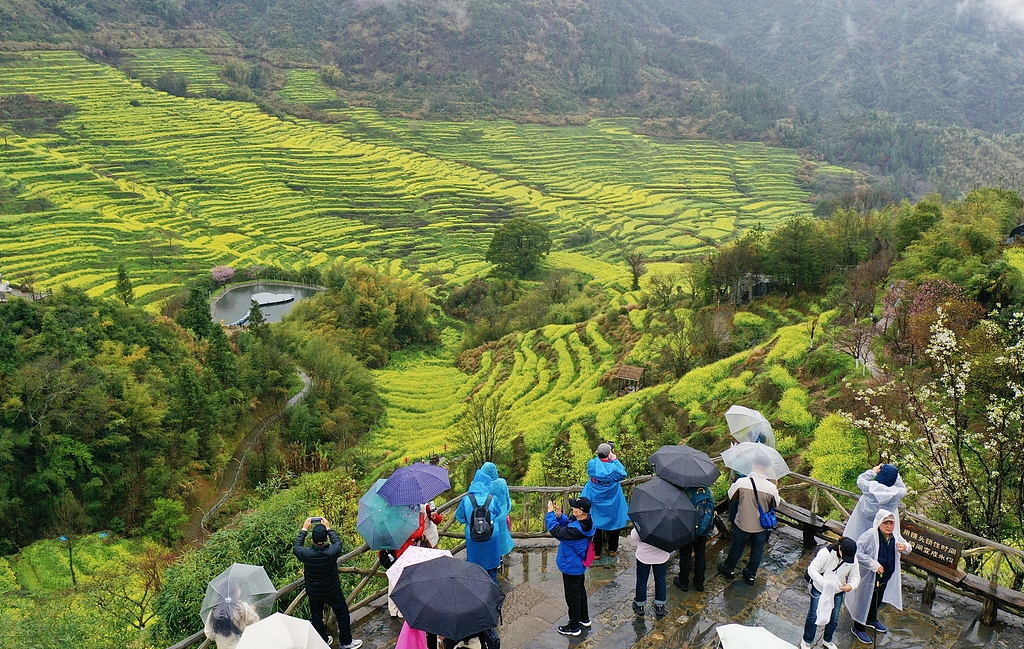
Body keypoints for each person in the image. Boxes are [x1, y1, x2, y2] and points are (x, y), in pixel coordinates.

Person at [293, 517, 363, 649]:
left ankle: (323, 641)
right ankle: (346, 642)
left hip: (314, 592)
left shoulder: (306, 553)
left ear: (312, 540)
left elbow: (296, 547)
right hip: (332, 591)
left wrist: (304, 529)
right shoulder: (332, 552)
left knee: (316, 616)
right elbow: (337, 542)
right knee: (342, 613)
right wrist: (329, 528)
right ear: (326, 540)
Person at [847, 510, 912, 644]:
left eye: (891, 523)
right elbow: (857, 551)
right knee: (864, 600)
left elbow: (908, 547)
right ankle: (858, 627)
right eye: (886, 523)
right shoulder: (871, 535)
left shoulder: (895, 535)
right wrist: (872, 564)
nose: (889, 526)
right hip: (870, 575)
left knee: (877, 599)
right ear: (879, 523)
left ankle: (871, 619)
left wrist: (905, 546)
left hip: (885, 575)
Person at [717, 459, 781, 585]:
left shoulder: (742, 482)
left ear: (752, 465)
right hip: (761, 526)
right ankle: (751, 575)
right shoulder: (771, 488)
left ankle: (729, 569)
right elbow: (775, 504)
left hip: (742, 522)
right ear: (767, 469)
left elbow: (731, 496)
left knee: (736, 547)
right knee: (757, 551)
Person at [546, 496, 596, 637]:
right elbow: (568, 524)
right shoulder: (586, 521)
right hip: (578, 565)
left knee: (572, 596)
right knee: (580, 591)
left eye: (574, 507)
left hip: (571, 566)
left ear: (580, 511)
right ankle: (583, 618)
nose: (572, 507)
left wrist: (550, 514)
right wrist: (560, 517)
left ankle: (574, 627)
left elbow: (557, 531)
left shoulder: (577, 531)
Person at [800, 538, 860, 649]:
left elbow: (855, 576)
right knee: (814, 615)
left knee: (834, 617)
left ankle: (827, 640)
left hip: (837, 591)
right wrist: (825, 584)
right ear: (840, 548)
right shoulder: (825, 553)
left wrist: (850, 586)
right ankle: (807, 640)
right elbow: (812, 570)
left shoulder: (852, 559)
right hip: (819, 588)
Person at [456, 466, 504, 585]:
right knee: (492, 572)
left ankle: (478, 594)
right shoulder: (492, 499)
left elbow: (460, 518)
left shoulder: (466, 499)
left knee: (476, 571)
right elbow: (498, 513)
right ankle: (493, 596)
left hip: (473, 538)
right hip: (491, 537)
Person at [580, 443, 628, 560]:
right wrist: (614, 459)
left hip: (595, 495)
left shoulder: (592, 464)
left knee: (596, 521)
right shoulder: (614, 468)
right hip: (612, 496)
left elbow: (595, 467)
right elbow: (623, 473)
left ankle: (596, 552)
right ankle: (612, 549)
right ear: (608, 454)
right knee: (614, 520)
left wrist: (605, 455)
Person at [842, 464, 906, 545]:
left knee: (856, 546)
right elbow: (903, 488)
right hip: (881, 533)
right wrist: (895, 474)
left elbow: (860, 480)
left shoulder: (869, 488)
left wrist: (873, 471)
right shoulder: (896, 494)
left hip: (860, 527)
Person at [630, 524, 669, 617]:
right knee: (661, 580)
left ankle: (640, 604)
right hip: (661, 557)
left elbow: (634, 536)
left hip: (644, 556)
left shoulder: (644, 521)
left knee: (641, 580)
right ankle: (660, 605)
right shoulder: (668, 523)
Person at [480, 461, 515, 558]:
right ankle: (500, 560)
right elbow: (508, 500)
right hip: (502, 516)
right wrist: (506, 511)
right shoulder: (502, 482)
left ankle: (492, 562)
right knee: (501, 540)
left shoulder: (483, 486)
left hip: (489, 518)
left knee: (490, 540)